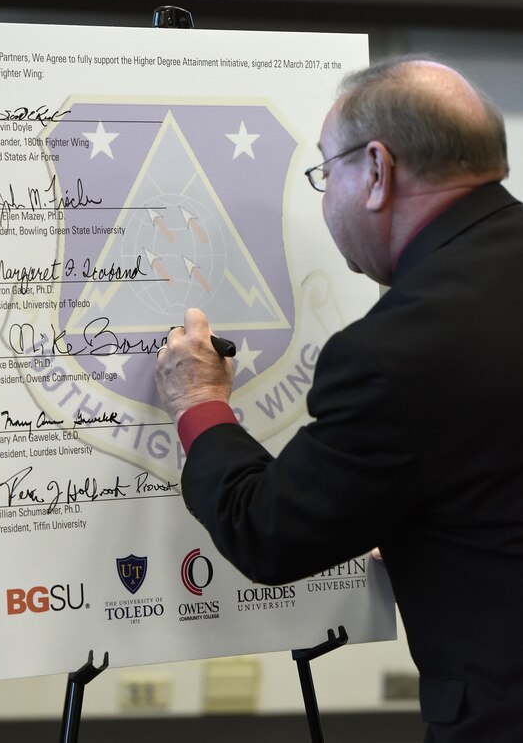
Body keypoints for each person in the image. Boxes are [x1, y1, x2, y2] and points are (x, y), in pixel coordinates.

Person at [155, 56, 523, 742]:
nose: (326, 200)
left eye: (326, 173)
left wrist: (199, 401)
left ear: (377, 171)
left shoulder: (394, 350)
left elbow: (267, 533)